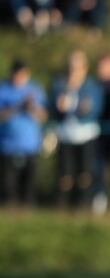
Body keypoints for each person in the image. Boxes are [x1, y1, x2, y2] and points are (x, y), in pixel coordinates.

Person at [50, 49, 104, 208]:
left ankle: (83, 209)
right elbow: (54, 109)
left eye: (78, 67)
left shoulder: (92, 85)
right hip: (65, 136)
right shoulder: (59, 85)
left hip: (86, 136)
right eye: (71, 67)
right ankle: (63, 209)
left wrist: (84, 109)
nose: (74, 71)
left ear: (85, 68)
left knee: (85, 176)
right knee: (65, 176)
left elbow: (95, 109)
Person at [0, 59, 47, 206]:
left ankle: (27, 216)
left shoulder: (35, 90)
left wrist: (31, 107)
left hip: (30, 147)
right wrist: (18, 106)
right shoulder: (3, 90)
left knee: (28, 188)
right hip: (7, 147)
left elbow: (43, 117)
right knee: (8, 187)